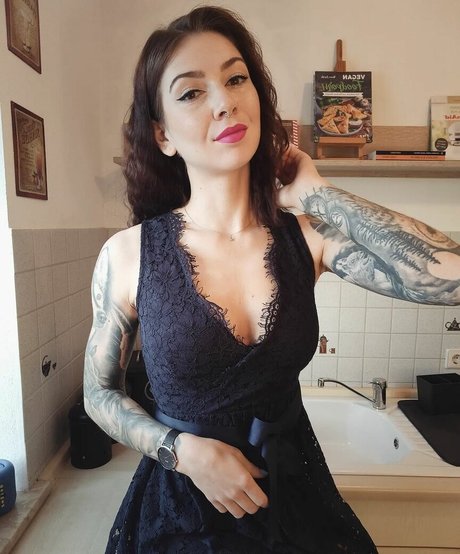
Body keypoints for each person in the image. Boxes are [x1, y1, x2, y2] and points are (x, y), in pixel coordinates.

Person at [83, 5, 460, 553]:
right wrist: (180, 451)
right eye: (192, 92)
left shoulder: (308, 238)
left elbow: (452, 276)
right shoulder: (128, 254)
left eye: (236, 79)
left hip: (297, 501)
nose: (224, 101)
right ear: (162, 135)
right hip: (182, 514)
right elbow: (98, 393)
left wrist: (318, 194)